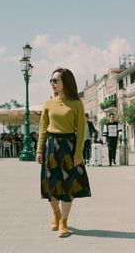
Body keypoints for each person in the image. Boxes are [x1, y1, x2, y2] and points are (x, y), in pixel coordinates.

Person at [36, 68, 91, 238]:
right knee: (51, 185)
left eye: (55, 80)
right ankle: (56, 213)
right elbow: (42, 129)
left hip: (69, 146)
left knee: (68, 186)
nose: (52, 83)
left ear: (64, 82)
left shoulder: (76, 104)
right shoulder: (47, 104)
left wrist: (78, 154)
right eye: (51, 80)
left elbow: (81, 131)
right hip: (51, 147)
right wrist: (39, 149)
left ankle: (64, 221)